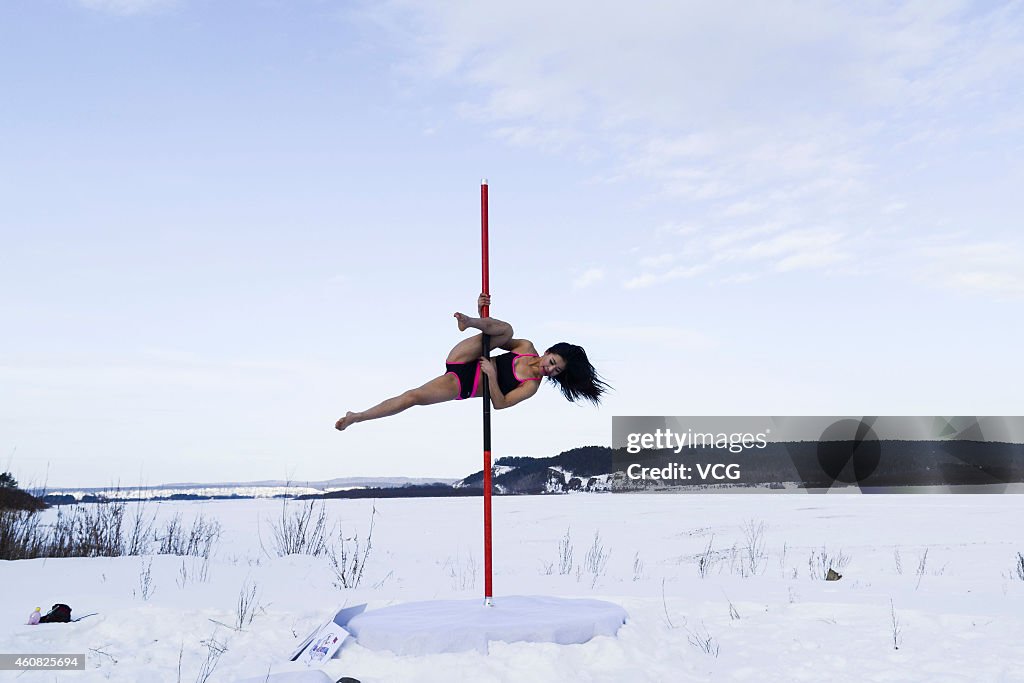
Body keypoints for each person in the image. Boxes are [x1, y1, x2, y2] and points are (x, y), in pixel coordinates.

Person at [335, 294, 609, 431]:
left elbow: (500, 404)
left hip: (465, 382)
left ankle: (357, 417)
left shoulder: (531, 386)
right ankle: (470, 321)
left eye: (556, 371)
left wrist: (490, 375)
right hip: (466, 356)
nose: (549, 369)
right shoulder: (526, 348)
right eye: (552, 361)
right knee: (508, 330)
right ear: (548, 350)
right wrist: (482, 313)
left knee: (412, 397)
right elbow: (498, 337)